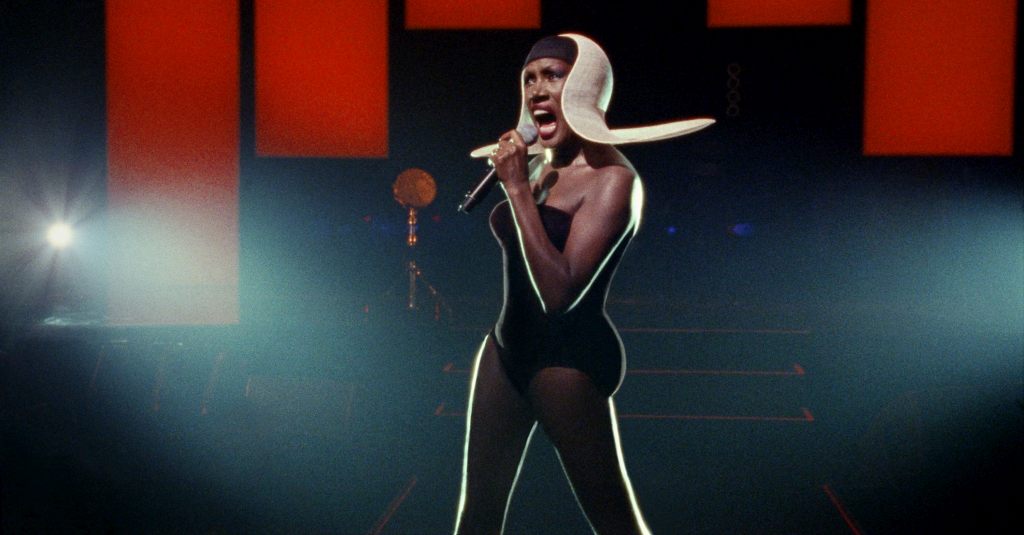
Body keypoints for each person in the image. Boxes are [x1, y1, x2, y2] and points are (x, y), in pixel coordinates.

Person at [454, 34, 713, 535]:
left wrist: (516, 190)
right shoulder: (535, 166)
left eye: (553, 75)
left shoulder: (613, 180)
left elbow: (559, 295)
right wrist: (521, 180)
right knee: (476, 517)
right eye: (529, 79)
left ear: (586, 86)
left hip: (566, 361)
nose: (537, 89)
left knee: (615, 524)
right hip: (505, 351)